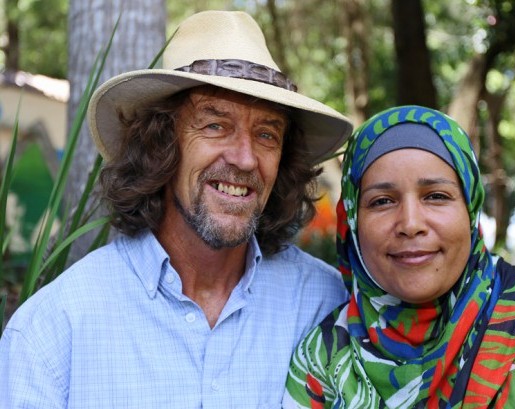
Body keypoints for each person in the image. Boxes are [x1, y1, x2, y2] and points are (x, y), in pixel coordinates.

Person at [0, 10, 353, 408]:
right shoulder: (54, 329)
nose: (245, 158)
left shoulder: (329, 306)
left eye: (266, 134)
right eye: (215, 125)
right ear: (160, 146)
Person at [283, 105, 515, 408]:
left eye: (436, 196)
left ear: (470, 211)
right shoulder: (323, 359)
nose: (410, 224)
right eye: (382, 201)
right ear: (352, 222)